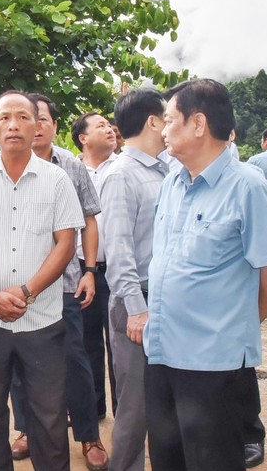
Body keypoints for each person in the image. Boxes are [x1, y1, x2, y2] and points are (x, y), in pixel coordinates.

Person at [147, 79, 267, 470]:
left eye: (170, 120)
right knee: (168, 458)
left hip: (212, 362)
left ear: (198, 124)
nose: (162, 130)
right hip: (161, 350)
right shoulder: (173, 183)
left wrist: (235, 324)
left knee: (213, 461)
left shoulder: (247, 188)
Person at [0, 91, 85, 471]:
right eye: (5, 117)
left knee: (49, 413)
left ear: (37, 125)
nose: (14, 124)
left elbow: (65, 244)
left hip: (42, 319)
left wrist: (27, 291)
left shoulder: (57, 180)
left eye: (24, 117)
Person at [6, 95, 108, 470]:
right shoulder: (4, 167)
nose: (36, 124)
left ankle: (88, 436)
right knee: (20, 362)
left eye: (42, 118)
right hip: (19, 285)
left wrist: (90, 270)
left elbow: (90, 220)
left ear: (47, 125)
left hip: (65, 284)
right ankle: (28, 430)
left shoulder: (70, 167)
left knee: (75, 360)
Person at [100, 87, 168, 471]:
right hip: (137, 304)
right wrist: (136, 311)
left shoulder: (167, 169)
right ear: (153, 121)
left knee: (163, 402)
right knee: (135, 408)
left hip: (166, 299)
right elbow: (119, 252)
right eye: (168, 117)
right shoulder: (122, 175)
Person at [72, 111, 119, 419]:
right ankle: (94, 408)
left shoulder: (125, 168)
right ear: (83, 138)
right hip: (84, 271)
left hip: (119, 271)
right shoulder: (71, 172)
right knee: (87, 344)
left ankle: (125, 410)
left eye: (109, 125)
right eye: (100, 126)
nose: (110, 129)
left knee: (121, 346)